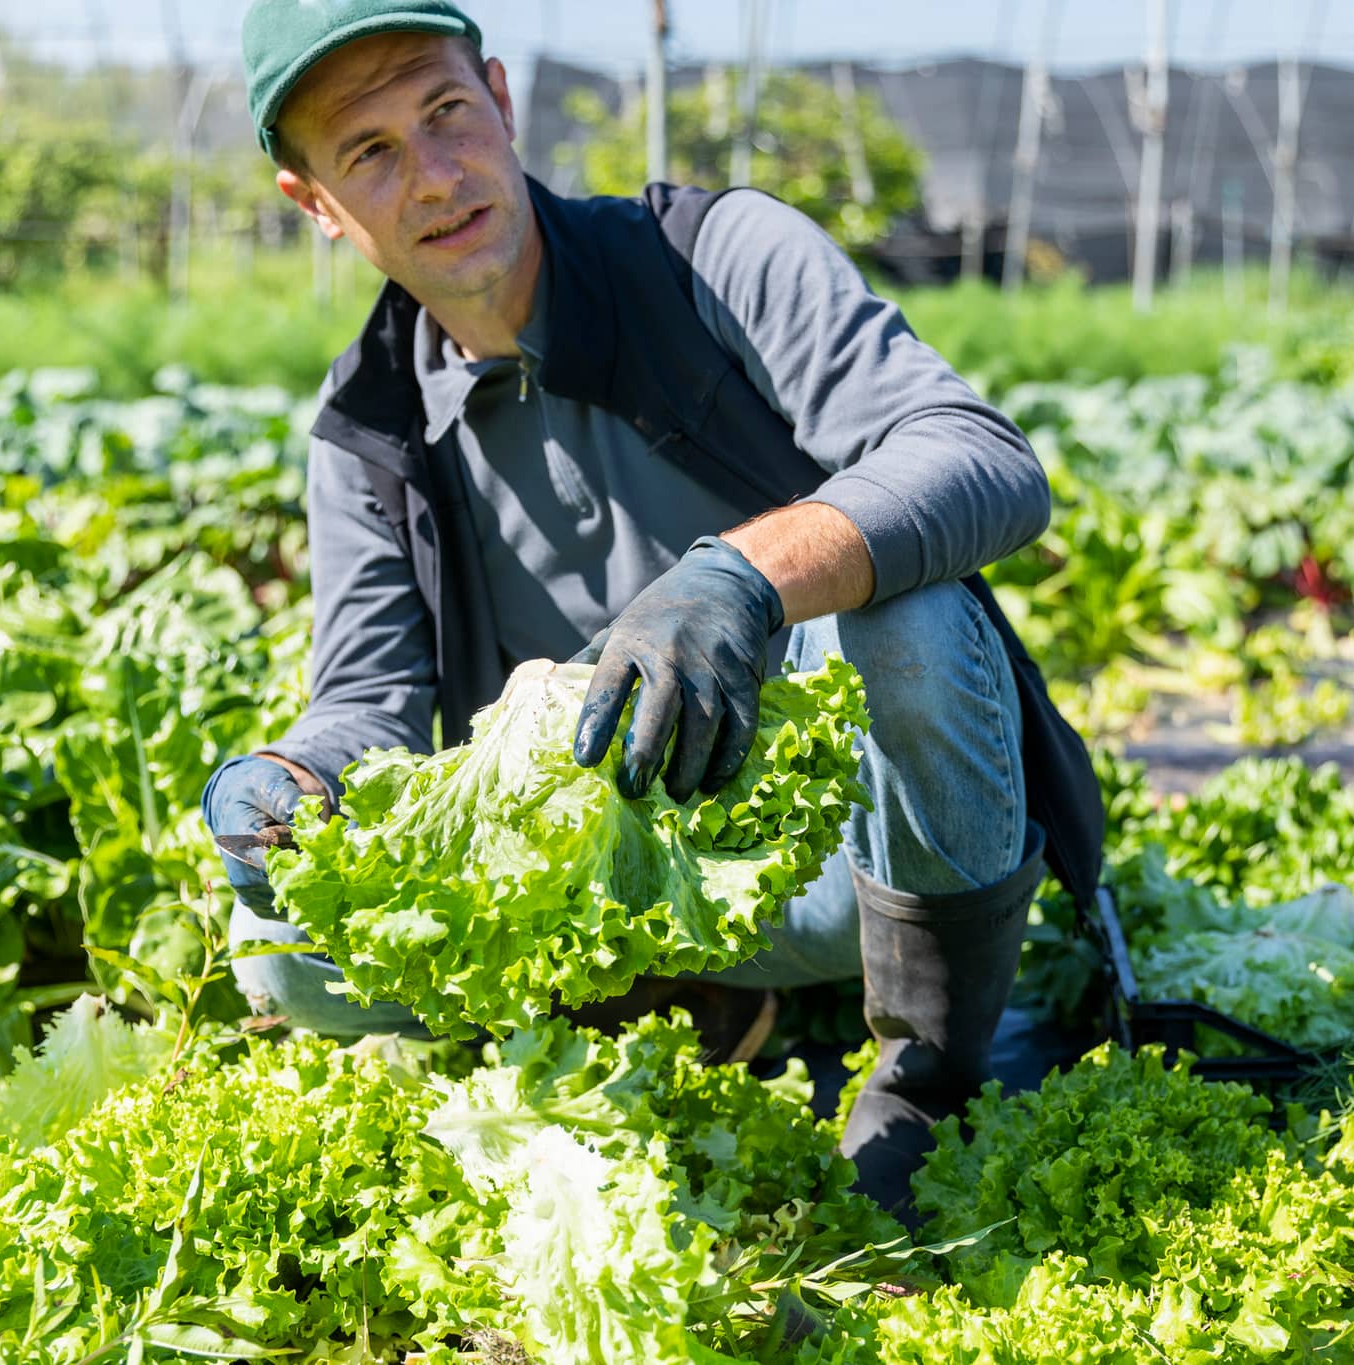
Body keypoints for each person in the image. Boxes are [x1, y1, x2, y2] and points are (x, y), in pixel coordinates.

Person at [200, 0, 1099, 1222]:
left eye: (447, 112)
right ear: (315, 202)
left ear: (502, 100)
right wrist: (295, 782)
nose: (435, 175)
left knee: (912, 614)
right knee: (280, 952)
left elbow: (978, 458)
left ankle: (920, 1078)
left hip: (845, 861)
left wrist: (744, 572)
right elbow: (368, 702)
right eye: (370, 152)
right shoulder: (369, 429)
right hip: (618, 890)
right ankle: (681, 1002)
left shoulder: (714, 256)